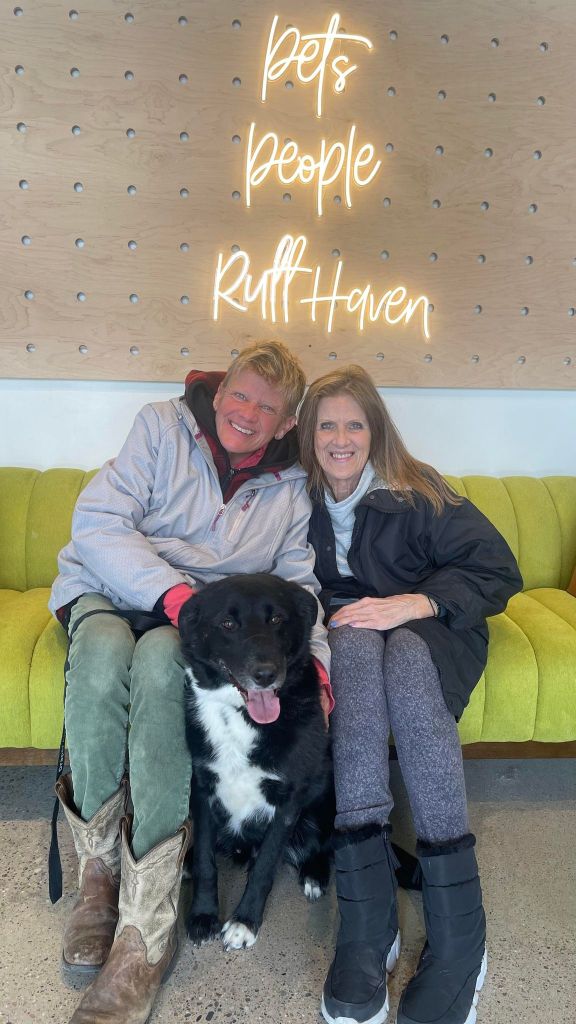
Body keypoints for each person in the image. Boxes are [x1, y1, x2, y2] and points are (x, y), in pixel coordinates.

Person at [49, 340, 332, 1024]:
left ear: (287, 422)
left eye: (267, 407)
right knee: (100, 663)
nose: (248, 413)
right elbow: (98, 523)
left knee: (156, 667)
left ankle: (148, 914)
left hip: (203, 624)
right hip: (116, 592)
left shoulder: (291, 484)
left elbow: (298, 588)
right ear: (220, 390)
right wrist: (173, 594)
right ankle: (98, 878)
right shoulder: (160, 426)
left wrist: (317, 662)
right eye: (241, 395)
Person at [297, 365, 522, 1024]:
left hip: (435, 627)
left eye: (354, 424)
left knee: (406, 671)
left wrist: (414, 602)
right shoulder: (293, 496)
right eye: (327, 425)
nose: (341, 438)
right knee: (361, 660)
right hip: (351, 631)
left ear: (375, 430)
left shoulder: (416, 489)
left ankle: (460, 941)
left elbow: (497, 570)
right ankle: (368, 928)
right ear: (309, 435)